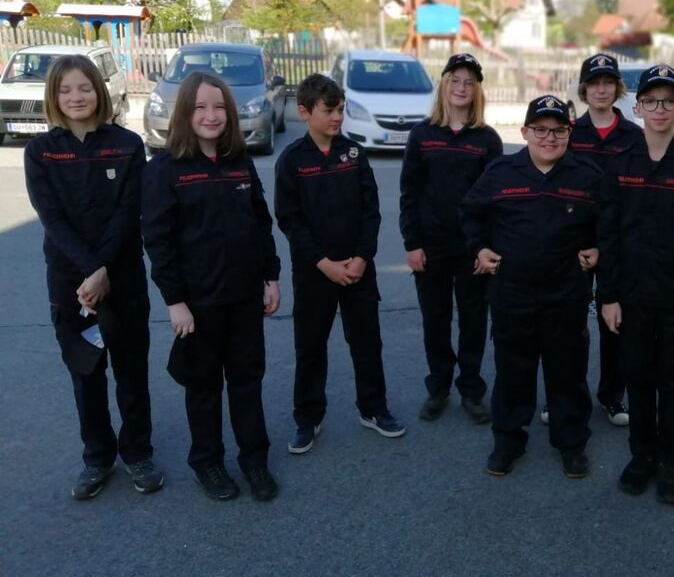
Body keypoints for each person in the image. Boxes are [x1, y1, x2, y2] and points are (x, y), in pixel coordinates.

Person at [24, 55, 162, 500]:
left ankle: (138, 452)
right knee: (85, 371)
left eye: (84, 87)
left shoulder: (127, 144)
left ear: (99, 92)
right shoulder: (40, 152)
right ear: (54, 96)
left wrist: (103, 268)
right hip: (72, 283)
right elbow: (52, 218)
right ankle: (97, 457)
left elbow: (128, 213)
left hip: (122, 276)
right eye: (65, 90)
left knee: (131, 370)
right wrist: (90, 271)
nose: (76, 97)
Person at [142, 71, 281, 502]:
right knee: (203, 387)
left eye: (220, 107)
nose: (211, 115)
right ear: (185, 112)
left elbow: (261, 224)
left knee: (246, 382)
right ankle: (208, 463)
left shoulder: (240, 161)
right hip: (198, 304)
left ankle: (254, 461)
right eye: (201, 107)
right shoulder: (164, 169)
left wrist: (271, 277)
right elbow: (158, 241)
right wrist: (175, 301)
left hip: (243, 297)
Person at [461, 95, 600, 478]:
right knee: (512, 372)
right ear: (524, 132)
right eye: (541, 129)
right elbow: (470, 214)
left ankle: (571, 443)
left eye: (558, 130)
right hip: (512, 294)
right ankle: (508, 440)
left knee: (567, 372)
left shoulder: (588, 175)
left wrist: (598, 248)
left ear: (569, 133)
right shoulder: (500, 172)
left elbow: (609, 222)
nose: (549, 138)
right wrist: (479, 247)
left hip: (566, 295)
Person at [598, 65, 674, 504]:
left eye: (669, 101)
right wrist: (608, 295)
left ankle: (671, 461)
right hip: (631, 297)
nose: (659, 109)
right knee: (638, 376)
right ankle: (642, 456)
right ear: (637, 107)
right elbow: (608, 235)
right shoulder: (619, 164)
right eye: (651, 101)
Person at [275, 73, 405, 456]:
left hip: (357, 270)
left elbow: (371, 210)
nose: (337, 117)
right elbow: (290, 220)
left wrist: (362, 257)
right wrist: (323, 263)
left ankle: (373, 409)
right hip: (315, 274)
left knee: (367, 343)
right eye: (329, 110)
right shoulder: (292, 160)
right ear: (304, 112)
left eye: (341, 109)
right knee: (310, 347)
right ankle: (308, 418)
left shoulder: (353, 154)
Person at [399, 53, 503, 424]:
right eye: (455, 80)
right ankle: (439, 388)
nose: (461, 87)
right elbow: (409, 193)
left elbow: (495, 201)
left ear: (477, 90)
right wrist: (412, 244)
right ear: (444, 85)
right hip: (431, 246)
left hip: (472, 248)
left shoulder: (487, 139)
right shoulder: (422, 135)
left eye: (469, 82)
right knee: (436, 320)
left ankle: (471, 390)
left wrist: (486, 247)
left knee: (474, 321)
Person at [569, 52, 642, 427]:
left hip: (618, 243)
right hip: (575, 243)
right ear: (584, 89)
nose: (601, 89)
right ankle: (567, 394)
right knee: (569, 325)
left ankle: (613, 395)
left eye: (608, 83)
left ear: (617, 88)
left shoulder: (633, 136)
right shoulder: (569, 132)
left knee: (615, 323)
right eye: (594, 83)